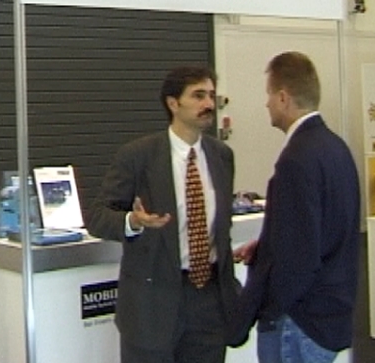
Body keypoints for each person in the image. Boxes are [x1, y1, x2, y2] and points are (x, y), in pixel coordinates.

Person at [85, 65, 242, 363]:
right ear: (173, 103)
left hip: (208, 302)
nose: (208, 104)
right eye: (198, 96)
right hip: (152, 303)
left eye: (211, 95)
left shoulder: (222, 156)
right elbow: (97, 215)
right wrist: (132, 222)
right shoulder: (138, 156)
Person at [233, 51, 360, 363]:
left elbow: (299, 256)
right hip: (329, 317)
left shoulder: (296, 159)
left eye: (268, 96)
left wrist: (269, 306)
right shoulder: (336, 148)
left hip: (298, 322)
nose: (265, 104)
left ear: (283, 97)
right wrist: (267, 245)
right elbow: (324, 229)